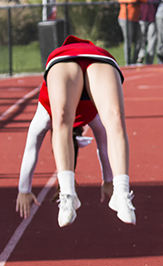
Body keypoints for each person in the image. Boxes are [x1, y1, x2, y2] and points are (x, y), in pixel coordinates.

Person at [41, 35, 136, 227]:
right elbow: (34, 141)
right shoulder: (49, 112)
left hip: (92, 57)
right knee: (60, 118)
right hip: (69, 60)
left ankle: (122, 193)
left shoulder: (88, 117)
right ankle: (67, 194)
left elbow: (103, 141)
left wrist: (110, 181)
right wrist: (24, 189)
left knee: (115, 117)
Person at [15, 103, 112, 220]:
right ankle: (68, 193)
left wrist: (24, 189)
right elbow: (104, 146)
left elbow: (31, 149)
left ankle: (68, 193)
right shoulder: (90, 111)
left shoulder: (46, 113)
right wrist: (108, 180)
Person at [118, 0, 146, 66]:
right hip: (126, 18)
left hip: (136, 19)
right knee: (128, 41)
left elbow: (145, 1)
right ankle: (128, 62)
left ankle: (134, 61)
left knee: (139, 40)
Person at [138, 0, 160, 64]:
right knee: (141, 38)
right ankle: (141, 56)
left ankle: (149, 61)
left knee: (152, 40)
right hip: (142, 17)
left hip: (153, 17)